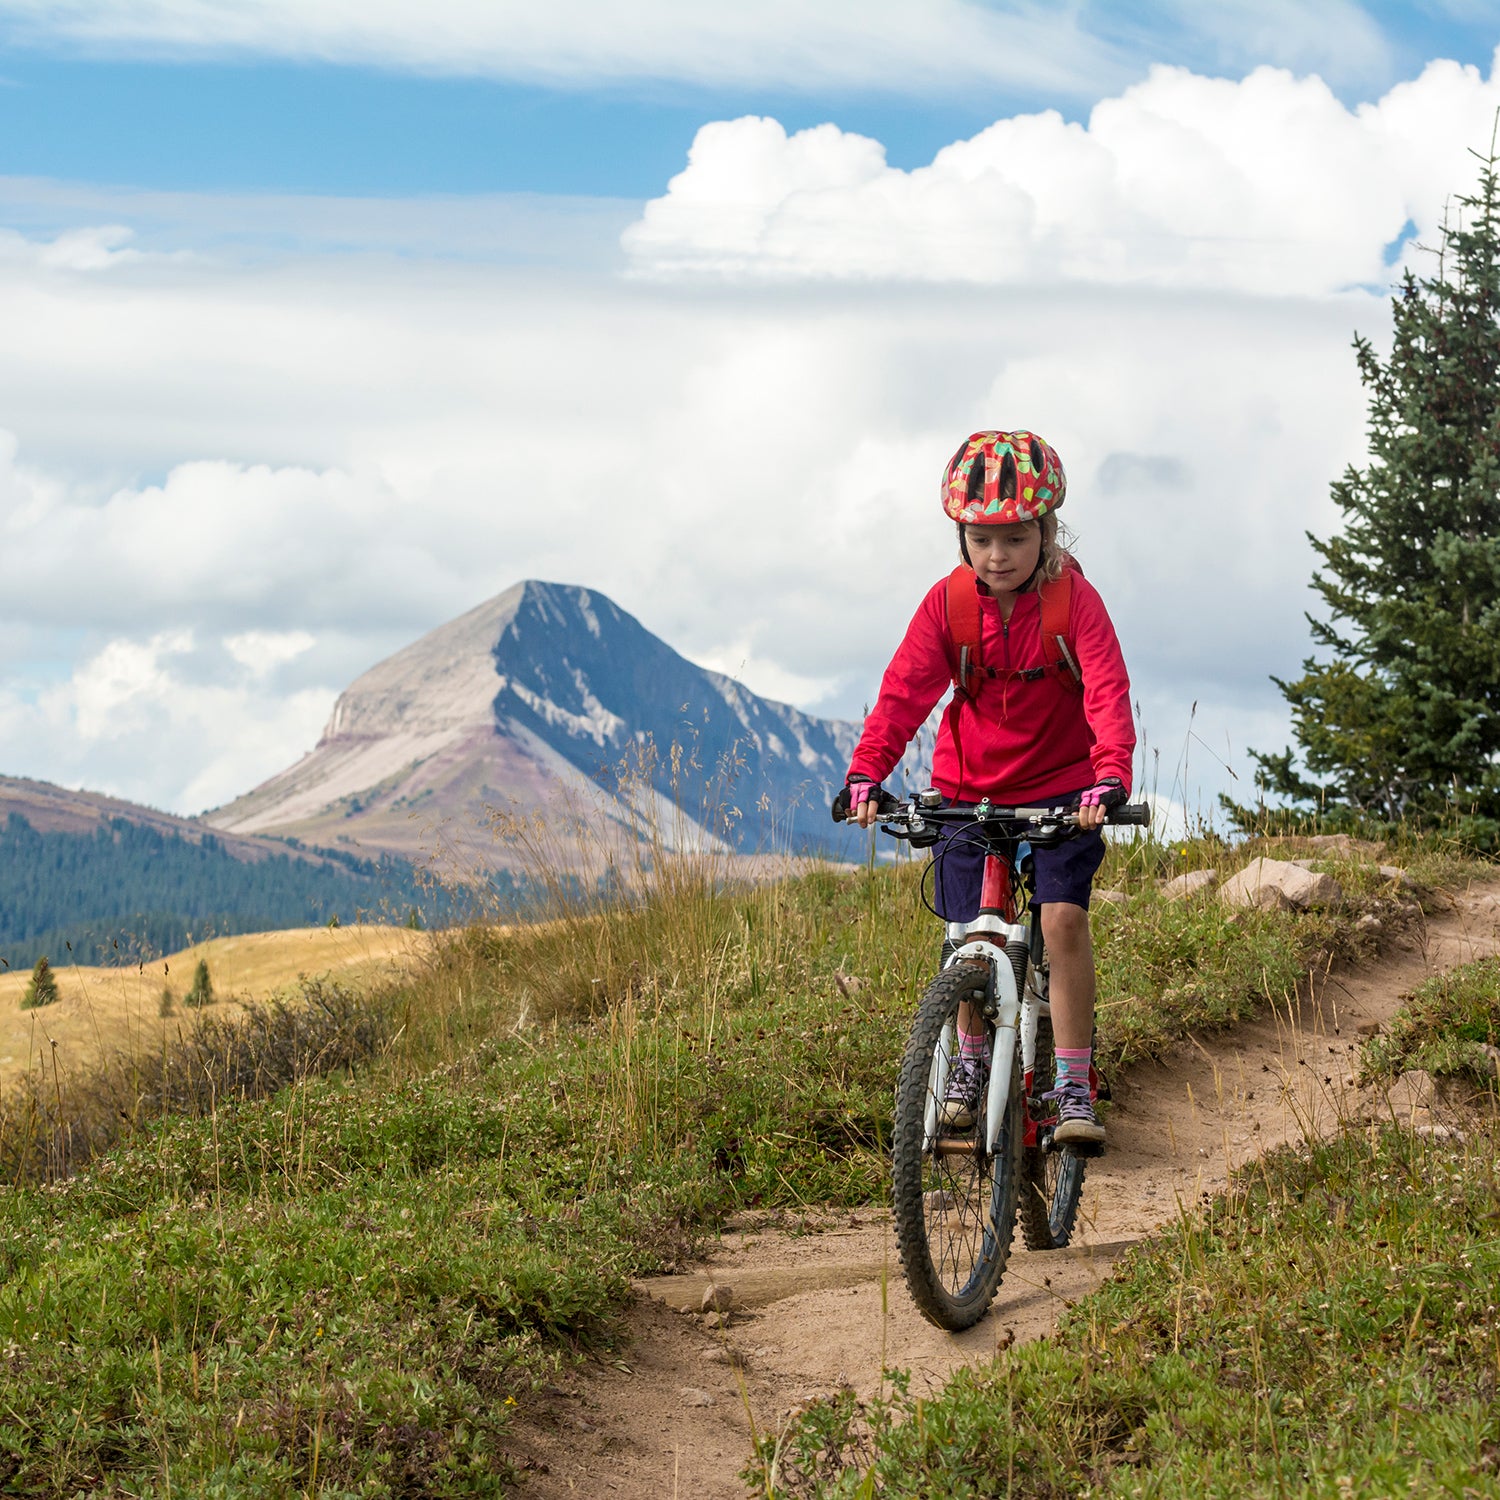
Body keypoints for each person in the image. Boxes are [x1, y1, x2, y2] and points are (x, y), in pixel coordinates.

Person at [837, 430, 1134, 1147]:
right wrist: (866, 771)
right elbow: (903, 693)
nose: (996, 555)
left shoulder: (1074, 601)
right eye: (979, 538)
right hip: (966, 790)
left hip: (1064, 794)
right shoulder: (948, 605)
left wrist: (1109, 776)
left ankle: (1071, 1081)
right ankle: (968, 1063)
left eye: (1014, 538)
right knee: (975, 938)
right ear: (961, 536)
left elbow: (1106, 690)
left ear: (1045, 532)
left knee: (1060, 921)